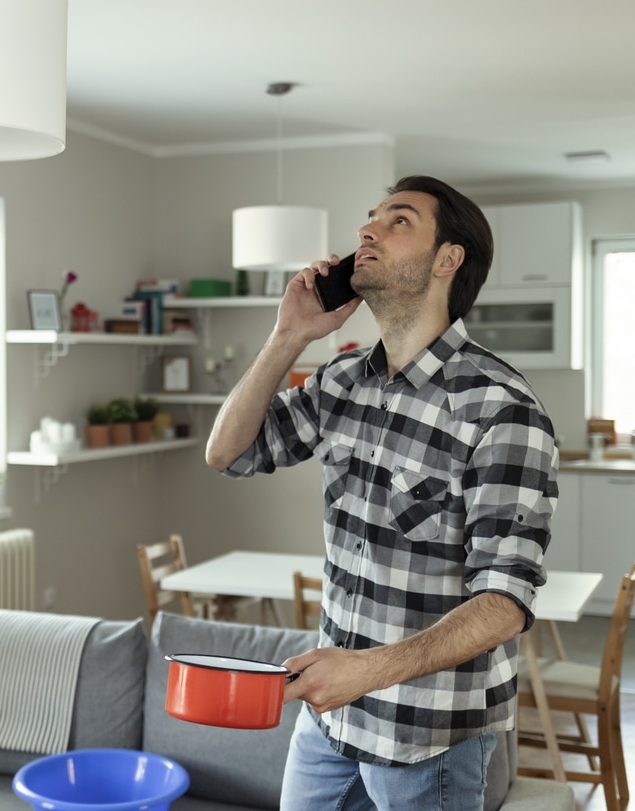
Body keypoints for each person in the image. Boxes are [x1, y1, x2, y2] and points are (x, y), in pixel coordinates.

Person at [205, 175, 558, 810]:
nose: (367, 230)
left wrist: (363, 672)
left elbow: (504, 602)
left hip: (428, 733)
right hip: (331, 720)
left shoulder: (501, 409)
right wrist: (288, 337)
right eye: (370, 218)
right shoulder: (342, 380)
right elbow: (227, 452)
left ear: (448, 259)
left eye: (399, 221)